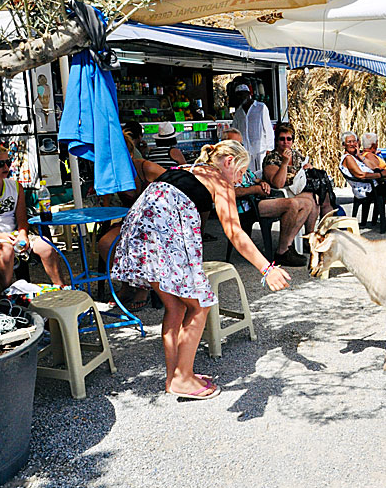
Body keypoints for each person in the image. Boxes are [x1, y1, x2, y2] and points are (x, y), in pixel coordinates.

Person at [111, 140, 290, 400]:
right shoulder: (220, 181)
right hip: (162, 240)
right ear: (228, 162)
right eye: (240, 173)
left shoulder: (185, 168)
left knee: (177, 306)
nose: (240, 180)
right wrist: (267, 269)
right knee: (200, 305)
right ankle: (183, 378)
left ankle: (175, 377)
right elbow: (234, 232)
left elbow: (143, 169)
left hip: (138, 236)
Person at [0, 143, 65, 292]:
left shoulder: (15, 187)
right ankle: (7, 295)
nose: (6, 167)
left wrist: (23, 234)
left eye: (8, 162)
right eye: (0, 164)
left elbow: (21, 218)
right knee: (6, 250)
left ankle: (63, 289)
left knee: (47, 246)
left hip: (14, 234)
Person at [98, 134, 167, 311]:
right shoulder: (111, 172)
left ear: (130, 154)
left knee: (140, 242)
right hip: (130, 220)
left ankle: (143, 288)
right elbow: (105, 203)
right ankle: (127, 284)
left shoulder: (146, 167)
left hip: (156, 221)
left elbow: (173, 186)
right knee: (105, 243)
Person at [227, 128, 311, 266]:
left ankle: (287, 246)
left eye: (240, 144)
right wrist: (255, 189)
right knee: (292, 204)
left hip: (257, 201)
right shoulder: (222, 167)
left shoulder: (240, 164)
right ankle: (282, 252)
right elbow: (231, 192)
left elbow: (253, 178)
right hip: (246, 207)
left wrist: (262, 182)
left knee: (307, 203)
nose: (239, 148)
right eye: (234, 144)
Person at [262, 123, 334, 233]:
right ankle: (304, 236)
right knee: (311, 199)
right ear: (277, 140)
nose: (285, 142)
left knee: (322, 196)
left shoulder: (296, 154)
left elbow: (305, 165)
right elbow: (278, 184)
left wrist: (308, 167)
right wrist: (284, 163)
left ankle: (319, 233)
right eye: (282, 139)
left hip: (298, 189)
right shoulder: (271, 158)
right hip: (283, 192)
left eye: (289, 139)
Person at [339, 131, 386, 232]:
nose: (353, 144)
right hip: (366, 189)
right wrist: (380, 175)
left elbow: (373, 166)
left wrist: (361, 156)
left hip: (371, 185)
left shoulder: (356, 156)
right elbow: (361, 175)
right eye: (349, 142)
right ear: (344, 145)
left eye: (354, 141)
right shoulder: (348, 158)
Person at [230, 82, 274, 173]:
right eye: (238, 96)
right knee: (250, 175)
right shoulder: (238, 112)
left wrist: (269, 149)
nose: (241, 97)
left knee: (263, 174)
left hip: (261, 151)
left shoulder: (261, 108)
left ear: (249, 94)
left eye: (243, 94)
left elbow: (268, 130)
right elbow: (235, 131)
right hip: (245, 152)